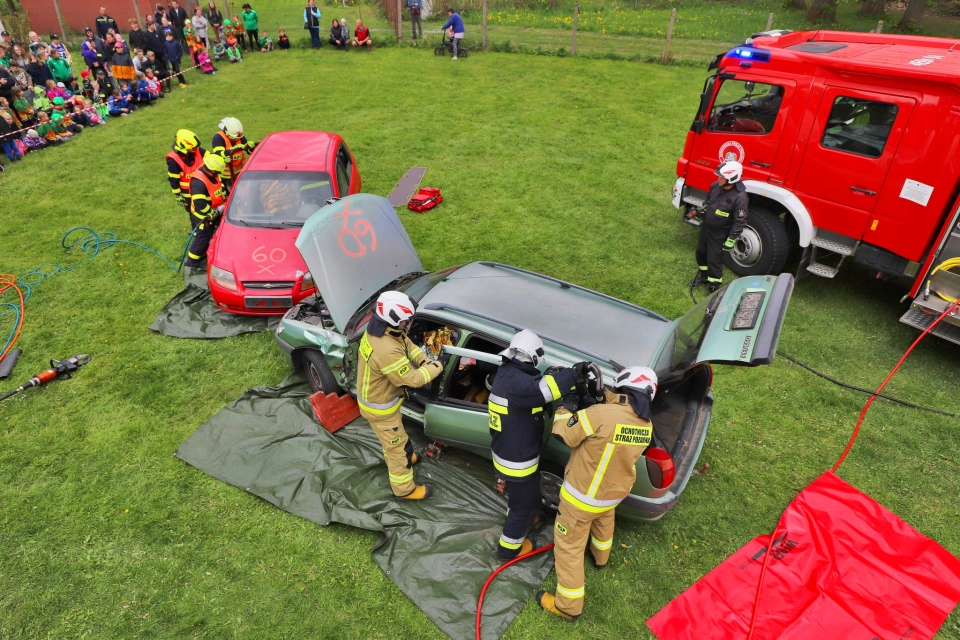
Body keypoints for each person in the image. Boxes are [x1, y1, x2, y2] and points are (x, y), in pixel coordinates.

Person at [537, 365, 659, 621]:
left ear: (624, 386)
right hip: (612, 494)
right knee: (604, 523)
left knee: (568, 547)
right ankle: (600, 558)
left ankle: (568, 607)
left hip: (581, 499)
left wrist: (566, 408)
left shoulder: (599, 414)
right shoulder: (646, 424)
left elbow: (566, 434)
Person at [488, 330, 579, 560]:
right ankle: (509, 549)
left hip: (508, 452)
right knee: (526, 504)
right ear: (535, 356)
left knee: (519, 498)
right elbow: (544, 390)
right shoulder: (521, 384)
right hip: (517, 461)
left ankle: (520, 518)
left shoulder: (507, 373)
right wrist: (575, 374)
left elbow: (526, 403)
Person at [356, 291, 444, 501]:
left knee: (396, 439)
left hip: (382, 402)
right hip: (380, 408)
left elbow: (406, 345)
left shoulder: (386, 330)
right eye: (405, 319)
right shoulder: (385, 349)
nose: (408, 323)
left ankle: (404, 456)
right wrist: (438, 366)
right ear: (394, 318)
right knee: (395, 447)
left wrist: (424, 360)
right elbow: (411, 380)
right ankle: (404, 490)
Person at [691, 160, 748, 293]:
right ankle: (704, 277)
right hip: (707, 227)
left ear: (731, 179)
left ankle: (714, 285)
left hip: (720, 233)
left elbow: (740, 221)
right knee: (701, 252)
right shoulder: (715, 186)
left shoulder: (740, 197)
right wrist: (701, 212)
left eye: (722, 177)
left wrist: (731, 239)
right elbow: (708, 202)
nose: (718, 178)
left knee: (714, 259)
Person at [186, 152, 227, 268]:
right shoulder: (198, 183)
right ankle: (192, 262)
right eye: (217, 172)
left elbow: (219, 186)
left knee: (211, 234)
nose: (218, 174)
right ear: (212, 170)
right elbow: (200, 204)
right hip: (202, 215)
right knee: (202, 237)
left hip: (214, 210)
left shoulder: (212, 173)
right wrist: (211, 213)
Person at [211, 116, 256, 191]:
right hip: (225, 177)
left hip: (240, 174)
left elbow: (247, 149)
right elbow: (218, 154)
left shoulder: (238, 135)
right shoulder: (218, 138)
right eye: (234, 138)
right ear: (227, 133)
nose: (237, 139)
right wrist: (234, 149)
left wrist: (251, 147)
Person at [167, 128, 206, 212]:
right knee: (195, 215)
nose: (196, 150)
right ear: (183, 147)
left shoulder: (197, 150)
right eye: (193, 149)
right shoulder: (173, 160)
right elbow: (173, 180)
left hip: (203, 188)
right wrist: (178, 195)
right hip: (188, 194)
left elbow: (211, 157)